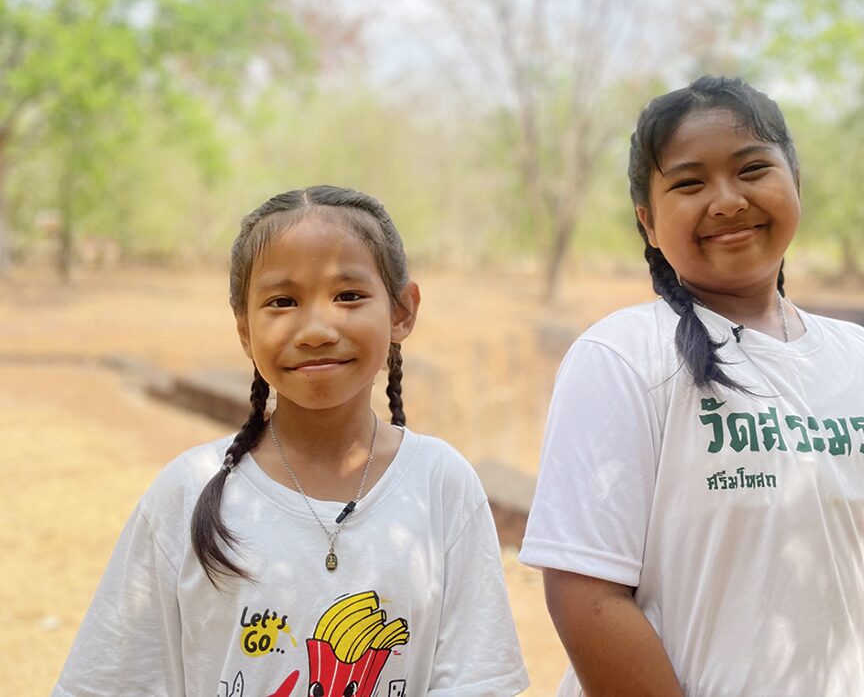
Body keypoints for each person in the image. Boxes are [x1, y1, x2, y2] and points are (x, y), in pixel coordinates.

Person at [518, 77, 864, 696]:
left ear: (795, 185)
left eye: (753, 169)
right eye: (689, 183)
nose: (726, 201)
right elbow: (586, 592)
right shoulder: (621, 358)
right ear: (648, 221)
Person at [54, 186, 529, 697]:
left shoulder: (441, 483)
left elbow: (476, 682)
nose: (317, 329)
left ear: (402, 312)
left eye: (348, 295)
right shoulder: (187, 492)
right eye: (282, 301)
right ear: (245, 329)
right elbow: (109, 683)